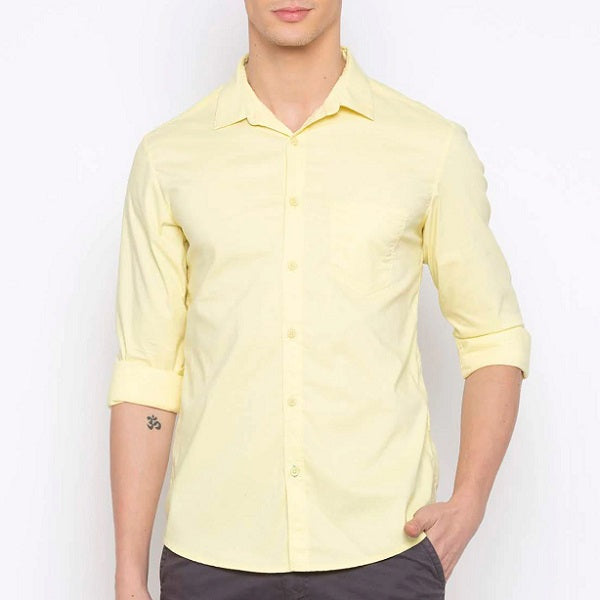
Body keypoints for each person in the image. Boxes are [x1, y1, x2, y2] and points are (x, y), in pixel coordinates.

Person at [107, 1, 531, 599]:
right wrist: (128, 574)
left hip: (385, 553)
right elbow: (149, 372)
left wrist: (470, 499)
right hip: (211, 558)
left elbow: (491, 337)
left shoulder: (430, 147)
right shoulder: (168, 158)